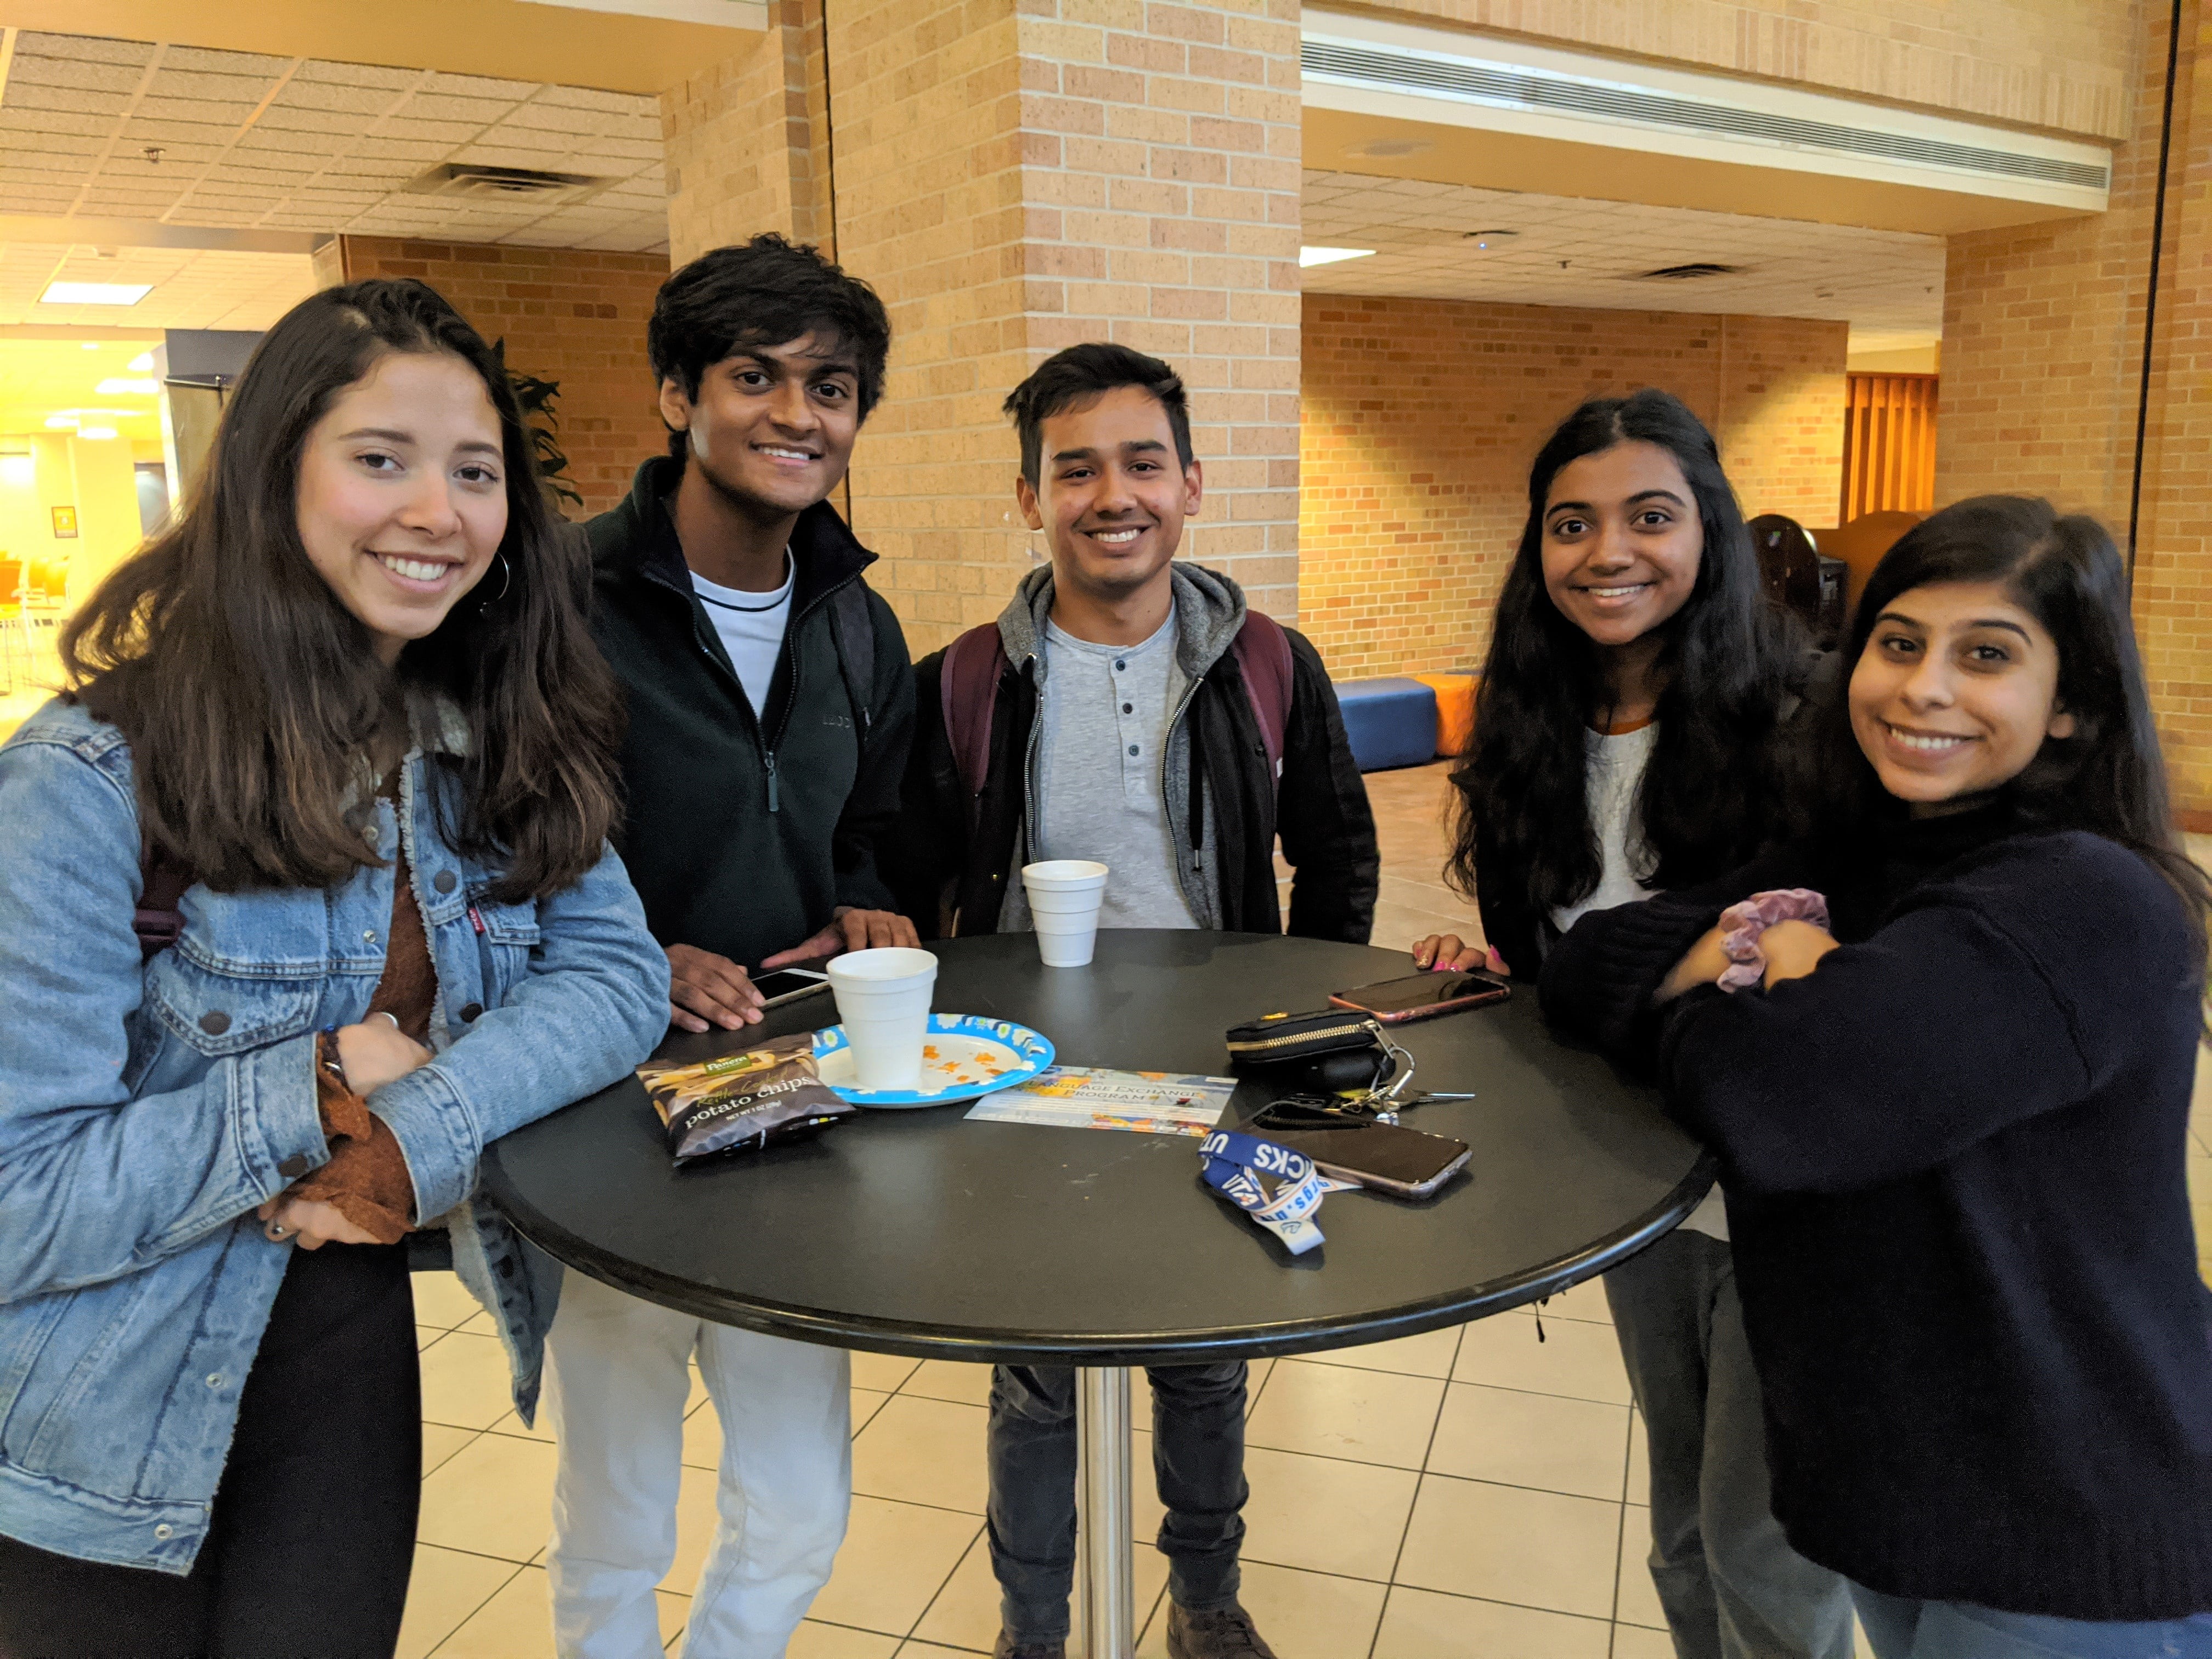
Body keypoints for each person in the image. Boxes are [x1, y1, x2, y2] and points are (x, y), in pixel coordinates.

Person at [0, 278, 669, 1658]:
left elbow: (614, 977)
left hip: (342, 1333)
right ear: (271, 479)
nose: (438, 511)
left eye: (474, 472)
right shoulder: (83, 778)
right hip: (88, 1402)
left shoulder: (489, 741)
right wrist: (306, 1093)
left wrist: (411, 1130)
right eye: (381, 459)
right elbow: (18, 1200)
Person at [1541, 495, 2212, 1658]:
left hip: (2065, 1528)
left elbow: (1790, 1105)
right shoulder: (1854, 857)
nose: (1923, 689)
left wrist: (1726, 994)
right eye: (1899, 644)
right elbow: (1592, 965)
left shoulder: (2085, 902)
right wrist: (1769, 962)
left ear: (2074, 709)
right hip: (1913, 1504)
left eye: (1987, 656)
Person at [894, 342, 1378, 1659]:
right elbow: (909, 869)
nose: (1114, 494)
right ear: (1030, 497)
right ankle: (1034, 1628)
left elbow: (1338, 850)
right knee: (1038, 1375)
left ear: (1191, 484)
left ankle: (1207, 1604)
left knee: (1205, 1357)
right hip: (1022, 1082)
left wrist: (1314, 1025)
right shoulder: (964, 682)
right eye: (1077, 469)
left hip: (1221, 1071)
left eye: (1142, 463)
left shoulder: (1271, 661)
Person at [1412, 389, 1855, 1659]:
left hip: (1784, 1201)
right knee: (1678, 1527)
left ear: (1707, 530)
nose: (1608, 553)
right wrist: (1503, 971)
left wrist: (1620, 978)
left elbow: (1799, 975)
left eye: (1650, 517)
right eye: (1571, 523)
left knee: (1762, 1553)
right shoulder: (1531, 730)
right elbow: (1560, 959)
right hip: (1632, 1189)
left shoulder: (1800, 727)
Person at [544, 233, 916, 1659]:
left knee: (800, 1500)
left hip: (795, 1105)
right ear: (676, 396)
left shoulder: (854, 621)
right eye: (755, 376)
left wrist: (874, 889)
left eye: (831, 387)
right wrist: (644, 953)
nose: (795, 413)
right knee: (620, 1504)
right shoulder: (562, 606)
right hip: (608, 1103)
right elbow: (504, 849)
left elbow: (871, 816)